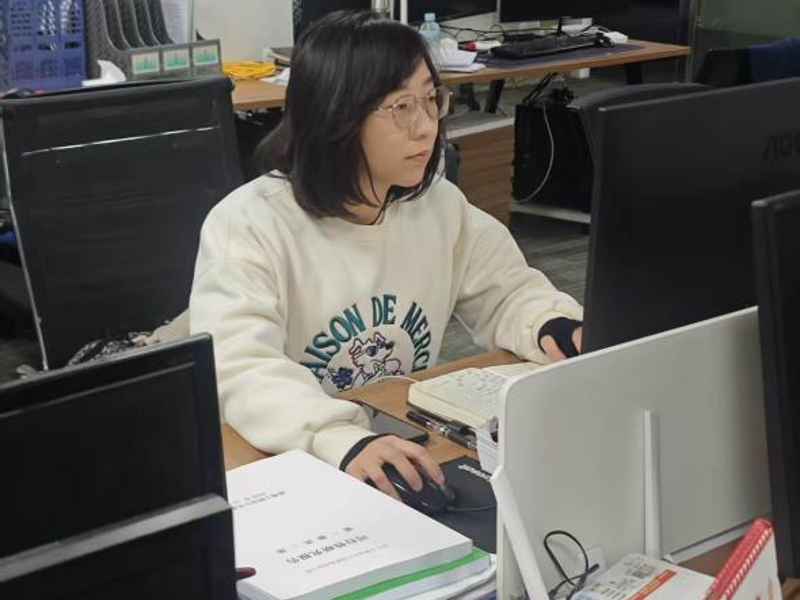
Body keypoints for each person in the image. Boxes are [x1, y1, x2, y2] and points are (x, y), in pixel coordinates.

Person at [190, 10, 583, 501]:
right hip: (285, 462)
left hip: (397, 440)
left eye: (430, 99)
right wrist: (337, 436)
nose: (426, 127)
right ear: (337, 117)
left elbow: (507, 291)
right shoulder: (249, 225)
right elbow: (241, 368)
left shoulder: (437, 206)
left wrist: (552, 324)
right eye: (401, 107)